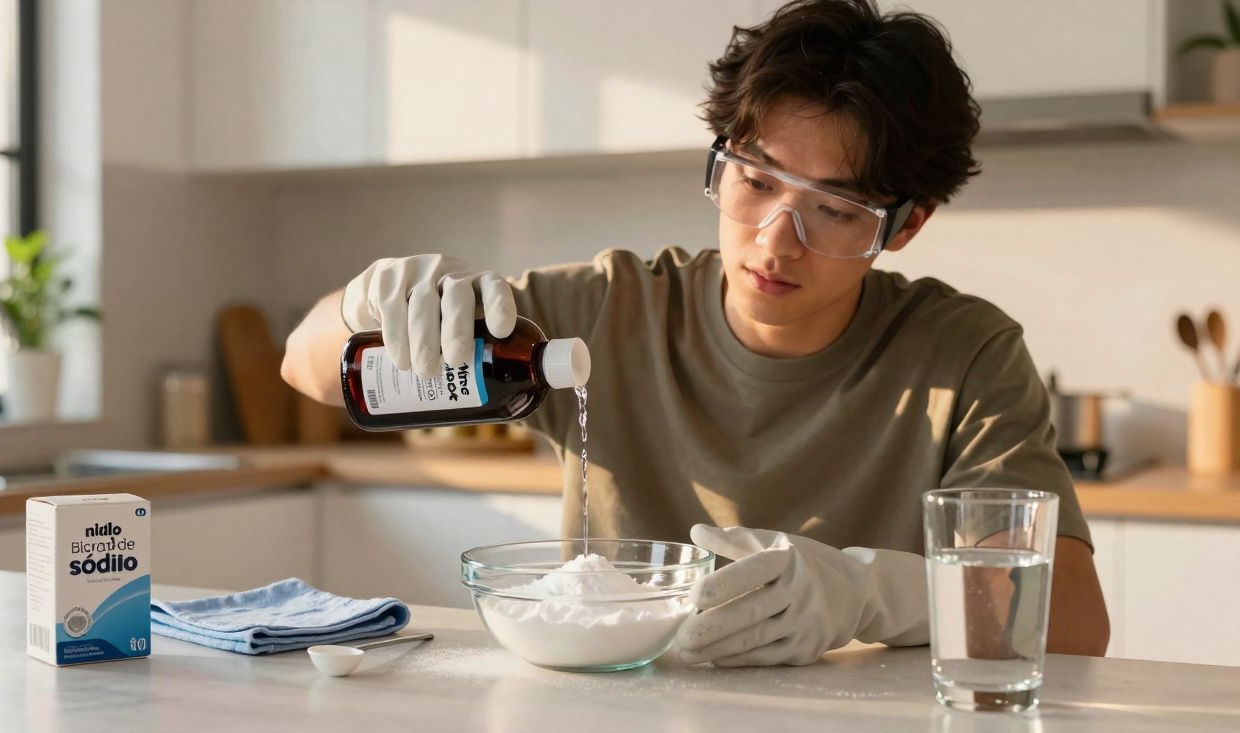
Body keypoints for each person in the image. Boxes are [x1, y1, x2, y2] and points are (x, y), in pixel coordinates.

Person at [282, 0, 1110, 666]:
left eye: (834, 208)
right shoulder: (615, 310)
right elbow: (307, 369)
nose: (777, 240)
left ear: (905, 225)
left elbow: (1073, 623)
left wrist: (872, 595)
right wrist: (364, 310)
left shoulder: (961, 352)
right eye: (754, 181)